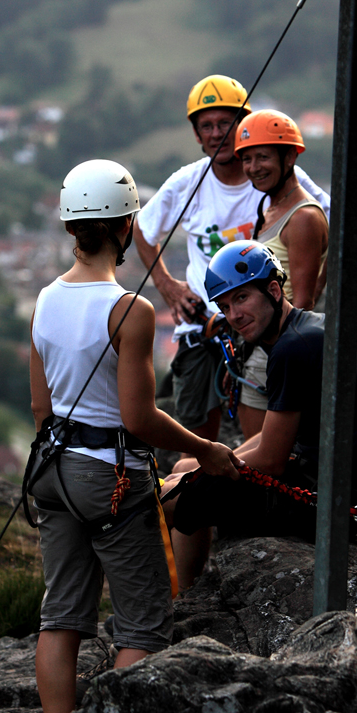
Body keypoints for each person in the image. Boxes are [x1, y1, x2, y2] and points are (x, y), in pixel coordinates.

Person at [29, 159, 241, 713]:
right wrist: (206, 449)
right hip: (112, 477)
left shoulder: (44, 299)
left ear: (73, 225)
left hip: (52, 471)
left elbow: (41, 408)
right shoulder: (130, 311)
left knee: (61, 615)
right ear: (126, 226)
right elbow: (139, 417)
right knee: (143, 624)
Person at [163, 241, 357, 591]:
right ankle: (190, 594)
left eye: (241, 298)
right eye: (225, 306)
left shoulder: (291, 349)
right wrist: (208, 462)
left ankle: (175, 601)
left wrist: (206, 471)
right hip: (350, 488)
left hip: (331, 502)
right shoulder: (308, 328)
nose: (234, 315)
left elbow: (270, 460)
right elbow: (276, 433)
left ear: (272, 290)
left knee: (169, 498)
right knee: (184, 469)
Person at [134, 74, 331, 447]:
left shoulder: (276, 174)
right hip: (204, 327)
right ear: (196, 135)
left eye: (226, 123)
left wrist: (309, 291)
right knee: (194, 434)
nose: (216, 133)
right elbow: (143, 231)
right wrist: (168, 286)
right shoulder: (187, 183)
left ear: (244, 125)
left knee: (268, 434)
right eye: (206, 126)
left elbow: (326, 221)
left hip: (267, 326)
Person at [233, 109, 330, 438]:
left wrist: (276, 359)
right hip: (263, 346)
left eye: (262, 156)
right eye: (246, 159)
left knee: (264, 466)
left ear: (289, 156)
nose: (253, 167)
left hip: (276, 350)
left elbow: (303, 302)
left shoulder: (302, 217)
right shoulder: (270, 210)